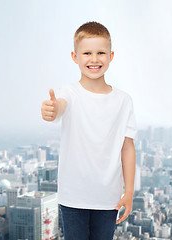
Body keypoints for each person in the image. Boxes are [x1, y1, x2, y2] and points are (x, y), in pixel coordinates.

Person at [41, 21, 137, 240]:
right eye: (87, 53)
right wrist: (52, 109)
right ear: (75, 57)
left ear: (111, 56)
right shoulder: (69, 92)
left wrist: (129, 191)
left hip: (109, 197)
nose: (94, 59)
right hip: (73, 196)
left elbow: (127, 147)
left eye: (100, 52)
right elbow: (60, 106)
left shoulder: (124, 101)